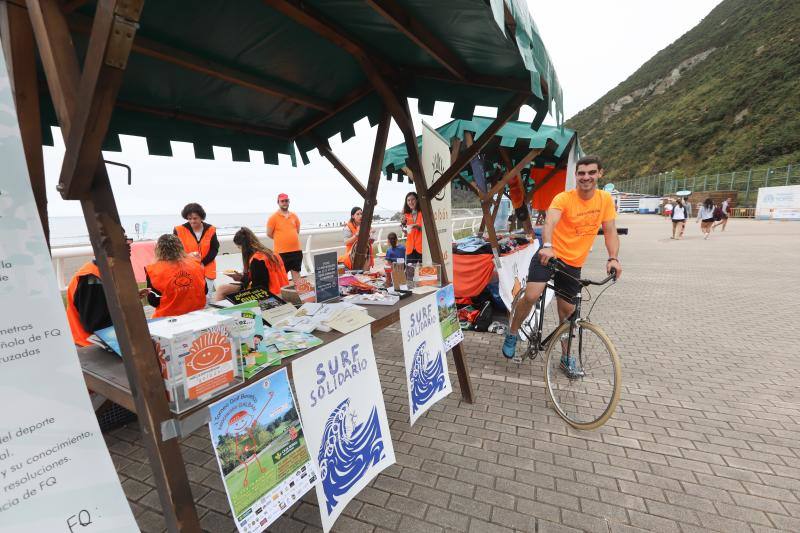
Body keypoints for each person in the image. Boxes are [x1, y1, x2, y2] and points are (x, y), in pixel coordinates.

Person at [502, 155, 622, 376]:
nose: (586, 177)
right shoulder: (563, 198)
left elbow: (610, 231)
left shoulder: (605, 200)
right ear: (576, 175)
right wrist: (547, 245)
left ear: (600, 174)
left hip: (573, 263)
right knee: (531, 296)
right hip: (549, 255)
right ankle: (512, 331)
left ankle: (567, 358)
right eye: (582, 173)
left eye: (591, 173)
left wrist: (613, 257)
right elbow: (550, 221)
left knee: (568, 315)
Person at [66, 234, 134, 346]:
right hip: (90, 345)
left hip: (106, 340)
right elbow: (94, 324)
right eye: (124, 240)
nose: (129, 244)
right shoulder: (91, 278)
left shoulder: (106, 271)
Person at [215, 227, 289, 301]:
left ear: (244, 247)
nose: (240, 250)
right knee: (223, 288)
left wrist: (241, 279)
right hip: (283, 292)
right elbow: (264, 278)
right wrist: (243, 277)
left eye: (239, 247)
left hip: (271, 296)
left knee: (221, 290)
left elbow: (258, 288)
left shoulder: (257, 260)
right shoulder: (271, 253)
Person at [144, 234, 207, 318]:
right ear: (181, 247)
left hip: (168, 318)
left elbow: (153, 301)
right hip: (197, 314)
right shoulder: (195, 264)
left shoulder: (153, 270)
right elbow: (205, 290)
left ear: (158, 250)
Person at [174, 203, 219, 297]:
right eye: (189, 218)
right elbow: (175, 250)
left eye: (195, 218)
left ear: (201, 217)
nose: (192, 221)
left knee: (206, 297)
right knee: (192, 298)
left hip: (207, 267)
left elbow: (214, 249)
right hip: (188, 269)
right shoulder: (178, 230)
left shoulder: (211, 229)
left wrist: (203, 263)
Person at [267, 193, 303, 283]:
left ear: (289, 202)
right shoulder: (273, 218)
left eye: (286, 201)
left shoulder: (294, 216)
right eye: (282, 201)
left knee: (297, 275)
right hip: (280, 253)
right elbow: (269, 234)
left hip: (296, 251)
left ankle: (300, 296)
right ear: (278, 203)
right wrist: (281, 240)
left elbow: (297, 231)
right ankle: (284, 297)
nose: (284, 203)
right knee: (282, 278)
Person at [401, 192, 423, 264]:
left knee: (424, 272)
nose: (410, 202)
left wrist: (418, 227)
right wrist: (403, 224)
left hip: (422, 248)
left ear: (417, 200)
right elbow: (405, 232)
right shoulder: (406, 215)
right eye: (408, 200)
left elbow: (427, 230)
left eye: (413, 199)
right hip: (410, 248)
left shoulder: (423, 213)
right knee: (410, 272)